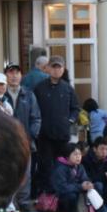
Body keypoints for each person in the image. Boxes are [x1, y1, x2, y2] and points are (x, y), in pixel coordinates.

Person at [32, 55, 79, 199]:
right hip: (44, 135)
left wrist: (70, 120)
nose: (56, 70)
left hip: (62, 135)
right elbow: (33, 110)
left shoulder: (68, 88)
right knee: (45, 165)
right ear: (47, 68)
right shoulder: (39, 88)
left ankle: (61, 195)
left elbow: (75, 108)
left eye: (59, 67)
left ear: (63, 69)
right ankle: (47, 196)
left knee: (62, 165)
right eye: (53, 67)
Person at [3, 63, 40, 210]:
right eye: (10, 73)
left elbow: (36, 118)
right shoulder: (1, 95)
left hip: (25, 141)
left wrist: (30, 136)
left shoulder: (28, 94)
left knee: (26, 173)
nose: (14, 76)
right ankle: (10, 203)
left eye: (17, 73)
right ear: (5, 76)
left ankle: (24, 202)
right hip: (7, 142)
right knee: (9, 172)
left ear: (21, 76)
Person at [52, 142, 107, 212]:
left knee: (97, 186)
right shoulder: (60, 168)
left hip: (77, 189)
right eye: (75, 154)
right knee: (71, 195)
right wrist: (80, 187)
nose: (78, 157)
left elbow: (84, 178)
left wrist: (88, 183)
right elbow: (62, 188)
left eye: (79, 154)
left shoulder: (79, 167)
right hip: (62, 196)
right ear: (67, 156)